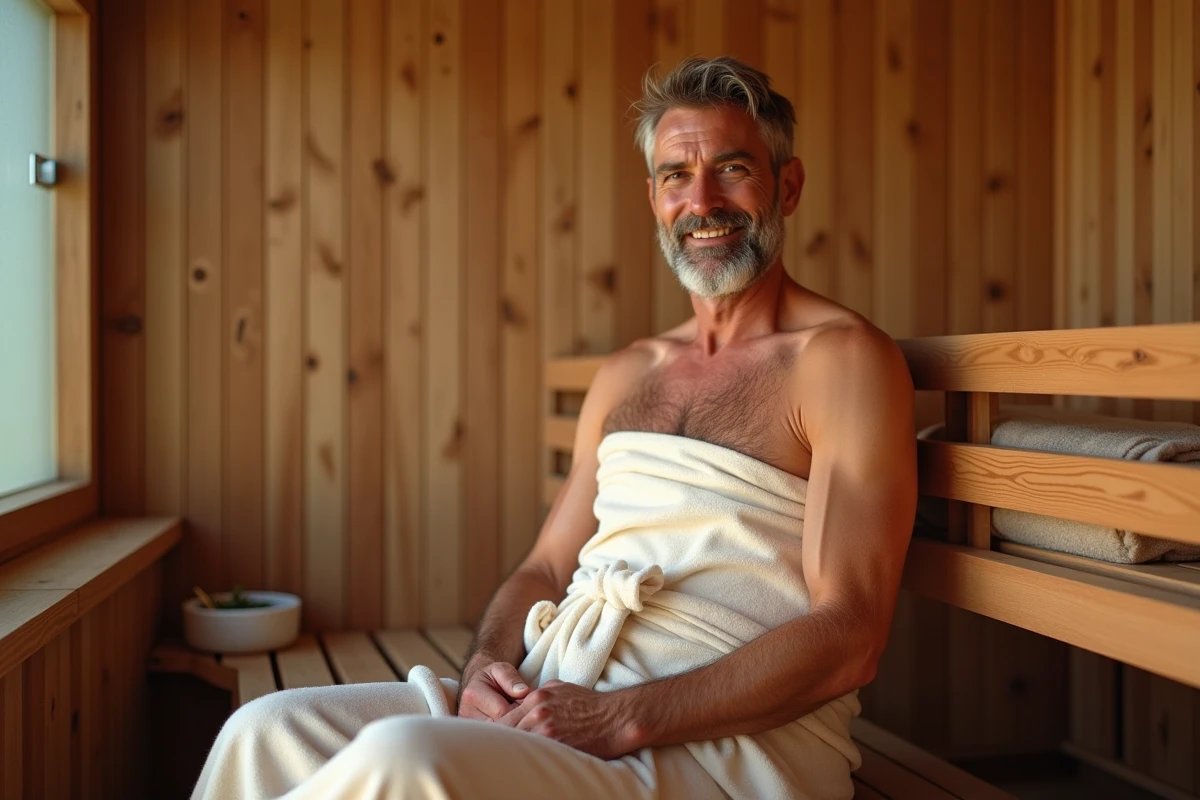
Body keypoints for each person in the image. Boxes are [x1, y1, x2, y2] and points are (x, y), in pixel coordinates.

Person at [192, 55, 918, 800]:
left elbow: (849, 634)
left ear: (786, 186)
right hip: (564, 691)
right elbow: (544, 567)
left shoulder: (841, 363)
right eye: (676, 176)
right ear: (654, 198)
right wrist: (484, 672)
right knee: (264, 731)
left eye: (732, 169)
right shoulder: (630, 374)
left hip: (723, 747)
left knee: (407, 756)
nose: (703, 201)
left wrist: (622, 718)